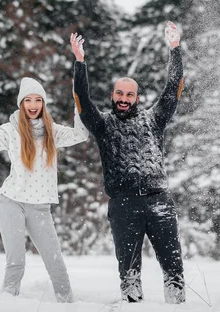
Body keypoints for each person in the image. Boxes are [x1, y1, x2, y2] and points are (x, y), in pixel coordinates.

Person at [70, 21, 186, 304]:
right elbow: (82, 100)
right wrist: (79, 62)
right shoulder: (103, 125)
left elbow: (174, 88)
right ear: (112, 96)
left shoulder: (154, 119)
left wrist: (175, 50)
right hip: (124, 204)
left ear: (137, 98)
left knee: (173, 268)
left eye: (129, 94)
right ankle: (132, 306)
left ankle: (178, 305)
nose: (124, 99)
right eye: (119, 94)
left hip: (159, 201)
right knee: (129, 274)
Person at [0, 78, 88, 303]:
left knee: (55, 262)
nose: (33, 104)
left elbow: (81, 134)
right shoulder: (10, 130)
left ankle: (67, 305)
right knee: (16, 262)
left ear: (43, 104)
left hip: (40, 208)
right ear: (21, 103)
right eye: (28, 100)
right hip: (11, 202)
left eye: (37, 100)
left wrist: (77, 100)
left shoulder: (52, 131)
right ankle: (6, 304)